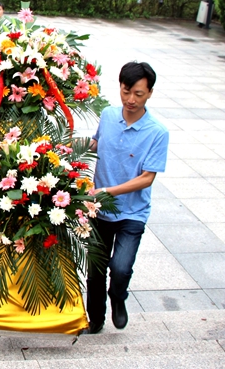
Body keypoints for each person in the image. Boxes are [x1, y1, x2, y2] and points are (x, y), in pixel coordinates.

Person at [86, 62, 169, 334]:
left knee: (120, 269)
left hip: (132, 213)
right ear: (120, 87)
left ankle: (118, 297)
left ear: (150, 93)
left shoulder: (157, 132)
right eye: (126, 91)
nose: (131, 100)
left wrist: (109, 191)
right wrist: (69, 149)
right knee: (96, 270)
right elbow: (96, 143)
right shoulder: (109, 115)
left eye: (139, 94)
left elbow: (147, 178)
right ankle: (95, 319)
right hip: (98, 210)